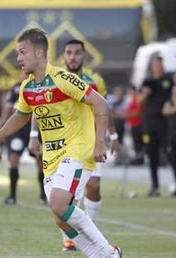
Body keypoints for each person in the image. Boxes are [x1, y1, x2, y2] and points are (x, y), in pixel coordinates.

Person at [0, 28, 121, 257]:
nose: (18, 58)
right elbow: (21, 116)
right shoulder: (28, 87)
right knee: (60, 218)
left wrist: (101, 143)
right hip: (51, 157)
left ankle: (108, 253)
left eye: (22, 52)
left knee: (58, 204)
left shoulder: (62, 79)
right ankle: (100, 255)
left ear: (39, 53)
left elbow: (101, 104)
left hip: (77, 149)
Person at [29, 39, 120, 251]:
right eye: (69, 53)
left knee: (93, 187)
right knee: (64, 200)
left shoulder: (94, 80)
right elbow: (39, 107)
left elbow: (104, 107)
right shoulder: (54, 79)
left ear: (84, 56)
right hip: (63, 147)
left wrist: (112, 137)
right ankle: (75, 240)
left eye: (77, 53)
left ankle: (97, 240)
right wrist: (34, 135)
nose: (72, 57)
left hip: (89, 142)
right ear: (64, 55)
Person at [1, 71, 46, 205]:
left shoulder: (39, 87)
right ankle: (12, 195)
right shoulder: (16, 89)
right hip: (18, 130)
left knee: (40, 161)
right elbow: (8, 110)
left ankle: (43, 196)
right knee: (14, 159)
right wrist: (4, 129)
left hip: (35, 129)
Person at [138, 56, 173, 197]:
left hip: (166, 124)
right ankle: (155, 187)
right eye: (156, 65)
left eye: (161, 64)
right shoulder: (147, 82)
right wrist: (145, 94)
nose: (159, 67)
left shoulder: (168, 81)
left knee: (172, 154)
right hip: (150, 124)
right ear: (152, 67)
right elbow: (139, 101)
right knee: (152, 156)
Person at [125, 85, 145, 165]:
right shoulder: (131, 99)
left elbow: (139, 112)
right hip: (133, 123)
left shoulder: (137, 99)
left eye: (130, 90)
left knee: (138, 142)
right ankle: (138, 157)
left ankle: (140, 158)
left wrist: (127, 114)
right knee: (135, 142)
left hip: (138, 123)